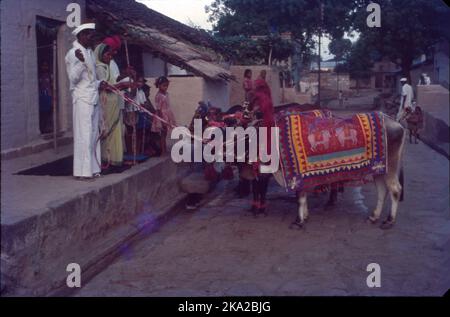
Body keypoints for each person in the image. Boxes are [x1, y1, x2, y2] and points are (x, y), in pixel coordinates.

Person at [65, 23, 106, 181]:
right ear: (81, 36)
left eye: (92, 35)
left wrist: (99, 83)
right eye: (88, 35)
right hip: (82, 99)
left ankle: (93, 169)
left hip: (93, 97)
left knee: (94, 134)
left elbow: (90, 79)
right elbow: (73, 79)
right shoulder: (72, 53)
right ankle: (82, 171)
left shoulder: (89, 52)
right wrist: (81, 63)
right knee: (84, 134)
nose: (91, 38)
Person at [95, 43, 131, 170]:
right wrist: (122, 85)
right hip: (106, 102)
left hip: (114, 101)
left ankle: (116, 158)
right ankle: (106, 158)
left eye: (111, 54)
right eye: (107, 54)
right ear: (100, 54)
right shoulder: (99, 68)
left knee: (116, 130)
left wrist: (125, 76)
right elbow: (106, 86)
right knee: (107, 130)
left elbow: (114, 80)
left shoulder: (108, 66)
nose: (109, 57)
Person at [151, 76, 177, 154]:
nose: (166, 87)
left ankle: (164, 149)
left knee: (165, 133)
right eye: (164, 85)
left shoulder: (166, 94)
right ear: (159, 85)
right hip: (161, 115)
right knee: (162, 133)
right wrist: (161, 120)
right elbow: (158, 109)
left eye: (167, 86)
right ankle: (163, 150)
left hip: (167, 114)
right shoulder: (158, 96)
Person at [38, 62, 53, 134]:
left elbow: (52, 85)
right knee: (42, 113)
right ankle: (42, 128)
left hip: (48, 96)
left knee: (48, 113)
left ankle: (48, 128)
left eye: (46, 66)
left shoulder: (50, 76)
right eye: (43, 66)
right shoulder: (39, 76)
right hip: (41, 96)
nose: (45, 67)